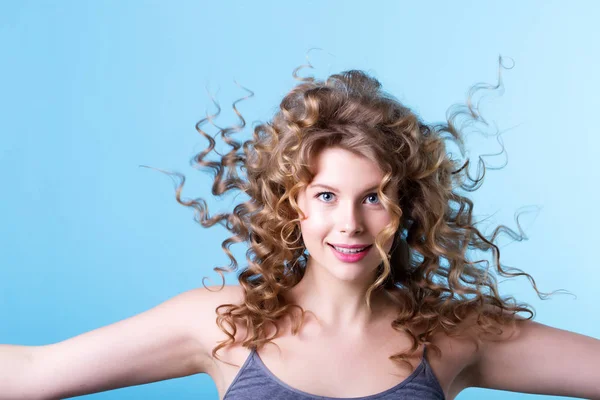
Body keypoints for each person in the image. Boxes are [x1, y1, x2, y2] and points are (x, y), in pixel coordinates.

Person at [1, 58, 599, 400]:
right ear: (295, 204)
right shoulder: (223, 323)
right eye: (327, 195)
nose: (350, 223)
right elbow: (31, 372)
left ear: (407, 207)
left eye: (374, 197)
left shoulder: (451, 334)